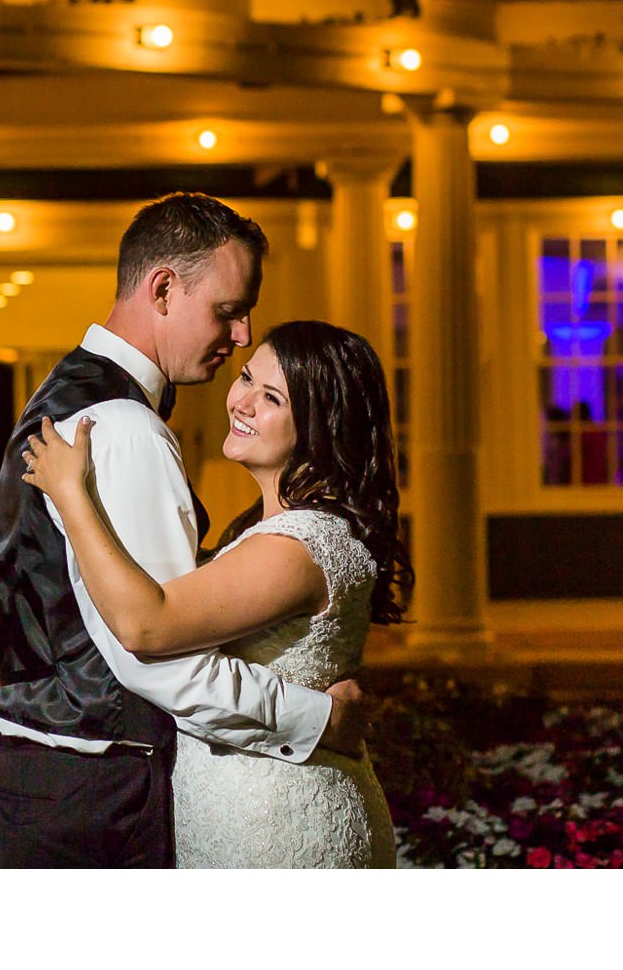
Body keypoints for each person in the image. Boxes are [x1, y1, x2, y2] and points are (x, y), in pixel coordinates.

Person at [0, 192, 369, 869]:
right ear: (162, 289)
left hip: (50, 776)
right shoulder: (123, 428)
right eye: (227, 311)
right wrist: (317, 718)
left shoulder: (67, 393)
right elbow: (155, 653)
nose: (242, 333)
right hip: (96, 787)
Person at [21, 319, 411, 867]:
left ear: (321, 426)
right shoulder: (285, 530)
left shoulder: (299, 544)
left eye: (271, 397)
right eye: (247, 377)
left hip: (278, 825)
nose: (243, 402)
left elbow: (146, 626)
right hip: (246, 811)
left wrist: (72, 495)